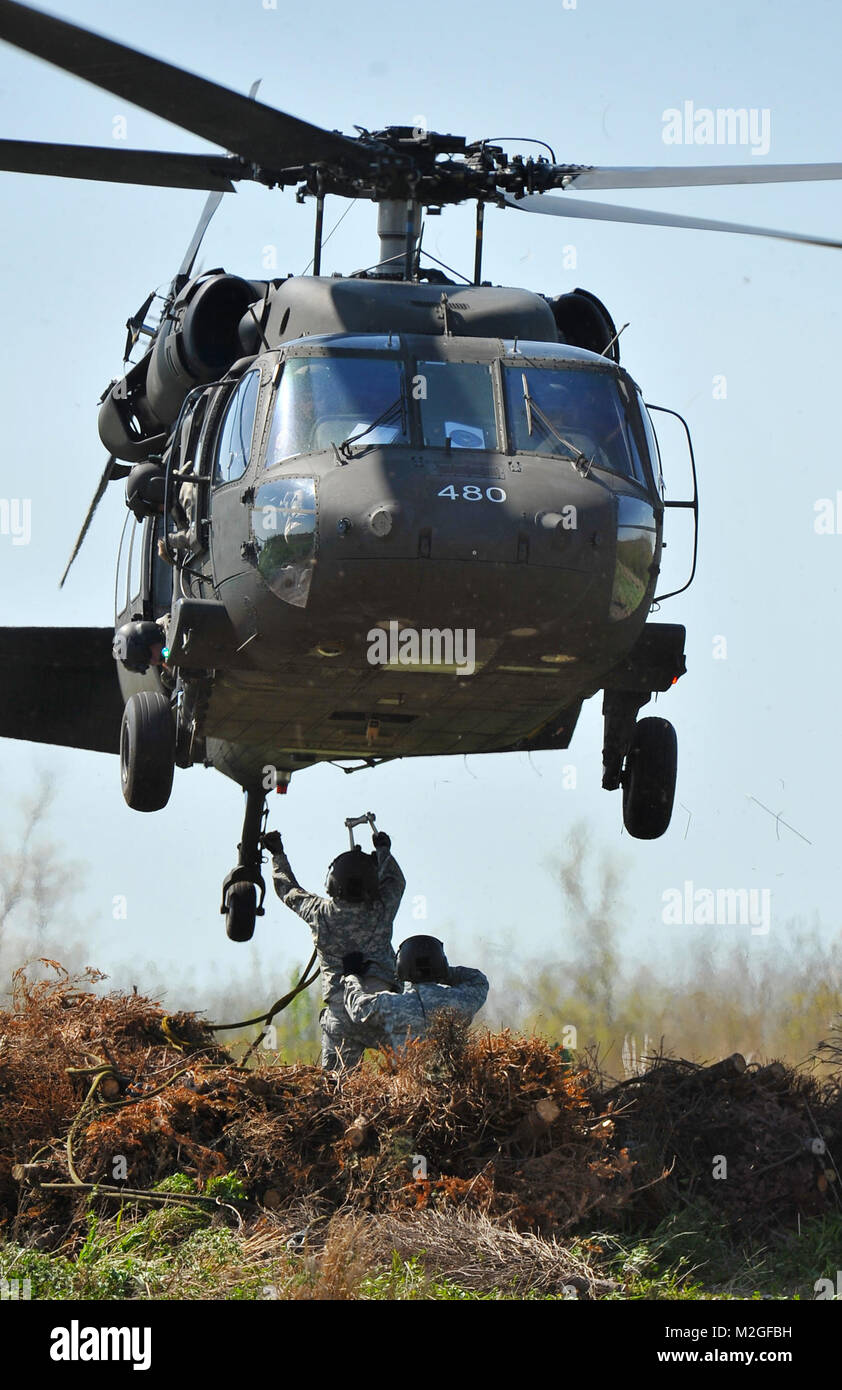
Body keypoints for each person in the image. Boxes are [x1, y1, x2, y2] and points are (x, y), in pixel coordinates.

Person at [261, 826, 405, 1070]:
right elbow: (395, 881)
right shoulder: (382, 910)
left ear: (332, 882)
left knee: (336, 1090)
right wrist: (383, 852)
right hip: (382, 1011)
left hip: (342, 1015)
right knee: (408, 1076)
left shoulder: (319, 913)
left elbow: (287, 890)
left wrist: (277, 854)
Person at [342, 934, 488, 1053]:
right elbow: (478, 981)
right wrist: (444, 971)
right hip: (452, 1084)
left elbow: (357, 1008)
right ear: (442, 964)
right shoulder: (459, 1002)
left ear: (401, 968)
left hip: (407, 1084)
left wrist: (351, 975)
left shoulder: (392, 1005)